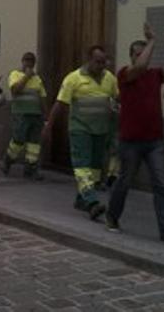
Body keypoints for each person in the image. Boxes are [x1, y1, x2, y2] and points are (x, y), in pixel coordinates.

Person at [106, 23, 164, 247]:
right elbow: (140, 68)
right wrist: (152, 40)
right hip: (130, 141)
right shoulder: (124, 74)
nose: (142, 57)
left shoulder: (155, 74)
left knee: (161, 185)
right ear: (131, 56)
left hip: (154, 141)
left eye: (144, 53)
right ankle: (112, 215)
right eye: (137, 53)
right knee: (124, 182)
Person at [43, 46, 119, 221]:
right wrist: (49, 125)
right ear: (88, 59)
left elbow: (117, 100)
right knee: (82, 166)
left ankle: (81, 199)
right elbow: (60, 103)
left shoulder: (110, 79)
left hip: (101, 130)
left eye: (103, 62)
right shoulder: (73, 78)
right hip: (80, 129)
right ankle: (92, 202)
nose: (101, 65)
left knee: (95, 168)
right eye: (97, 61)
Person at [3, 52, 49, 180]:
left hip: (36, 114)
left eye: (32, 61)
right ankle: (9, 158)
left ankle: (31, 169)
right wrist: (26, 77)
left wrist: (46, 117)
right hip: (20, 113)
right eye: (27, 60)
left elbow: (42, 97)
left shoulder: (37, 78)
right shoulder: (15, 74)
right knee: (18, 139)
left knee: (34, 143)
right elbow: (15, 91)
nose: (29, 63)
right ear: (22, 61)